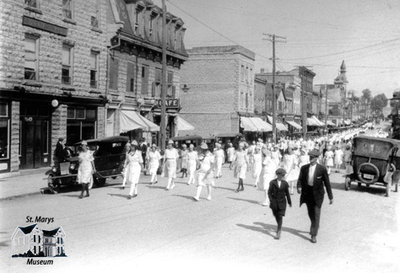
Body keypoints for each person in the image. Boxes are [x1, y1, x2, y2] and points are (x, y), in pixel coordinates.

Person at [297, 149, 333, 244]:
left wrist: (330, 196)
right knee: (310, 213)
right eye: (310, 157)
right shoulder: (304, 168)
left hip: (318, 195)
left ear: (316, 158)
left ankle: (313, 234)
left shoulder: (322, 169)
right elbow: (300, 179)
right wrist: (299, 187)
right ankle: (314, 225)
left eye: (312, 158)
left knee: (316, 214)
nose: (310, 159)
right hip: (308, 194)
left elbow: (327, 183)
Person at [268, 168, 292, 240]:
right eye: (280, 175)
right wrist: (271, 200)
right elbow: (269, 192)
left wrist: (289, 202)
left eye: (283, 175)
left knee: (280, 215)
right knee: (276, 215)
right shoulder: (272, 182)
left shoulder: (285, 183)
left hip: (282, 202)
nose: (282, 176)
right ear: (277, 175)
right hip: (274, 202)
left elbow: (287, 193)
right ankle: (279, 226)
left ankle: (278, 231)